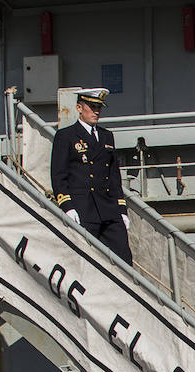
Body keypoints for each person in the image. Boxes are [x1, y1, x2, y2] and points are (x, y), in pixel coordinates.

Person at [50, 88, 133, 264]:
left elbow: (113, 176)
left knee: (124, 258)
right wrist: (67, 206)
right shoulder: (66, 136)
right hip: (83, 208)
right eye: (92, 107)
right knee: (85, 261)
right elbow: (59, 175)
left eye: (99, 108)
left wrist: (121, 209)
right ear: (79, 108)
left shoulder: (106, 136)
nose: (96, 112)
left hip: (108, 208)